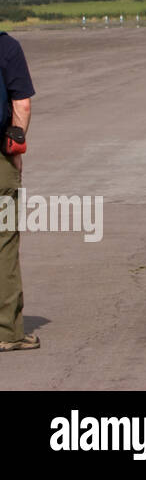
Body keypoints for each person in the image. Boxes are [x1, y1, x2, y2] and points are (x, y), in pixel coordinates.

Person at [0, 31, 36, 352]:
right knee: (4, 242)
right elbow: (20, 104)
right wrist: (15, 151)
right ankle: (8, 331)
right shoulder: (6, 47)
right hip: (0, 159)